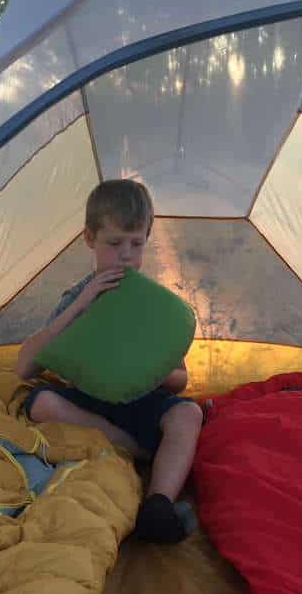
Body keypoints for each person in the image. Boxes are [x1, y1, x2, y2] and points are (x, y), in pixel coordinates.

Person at [15, 179, 203, 543]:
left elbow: (180, 377)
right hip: (89, 403)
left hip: (140, 402)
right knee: (39, 402)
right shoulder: (77, 297)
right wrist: (81, 304)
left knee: (188, 414)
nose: (126, 255)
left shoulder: (152, 306)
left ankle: (158, 503)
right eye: (114, 244)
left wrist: (147, 370)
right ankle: (138, 450)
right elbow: (25, 367)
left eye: (136, 244)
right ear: (90, 239)